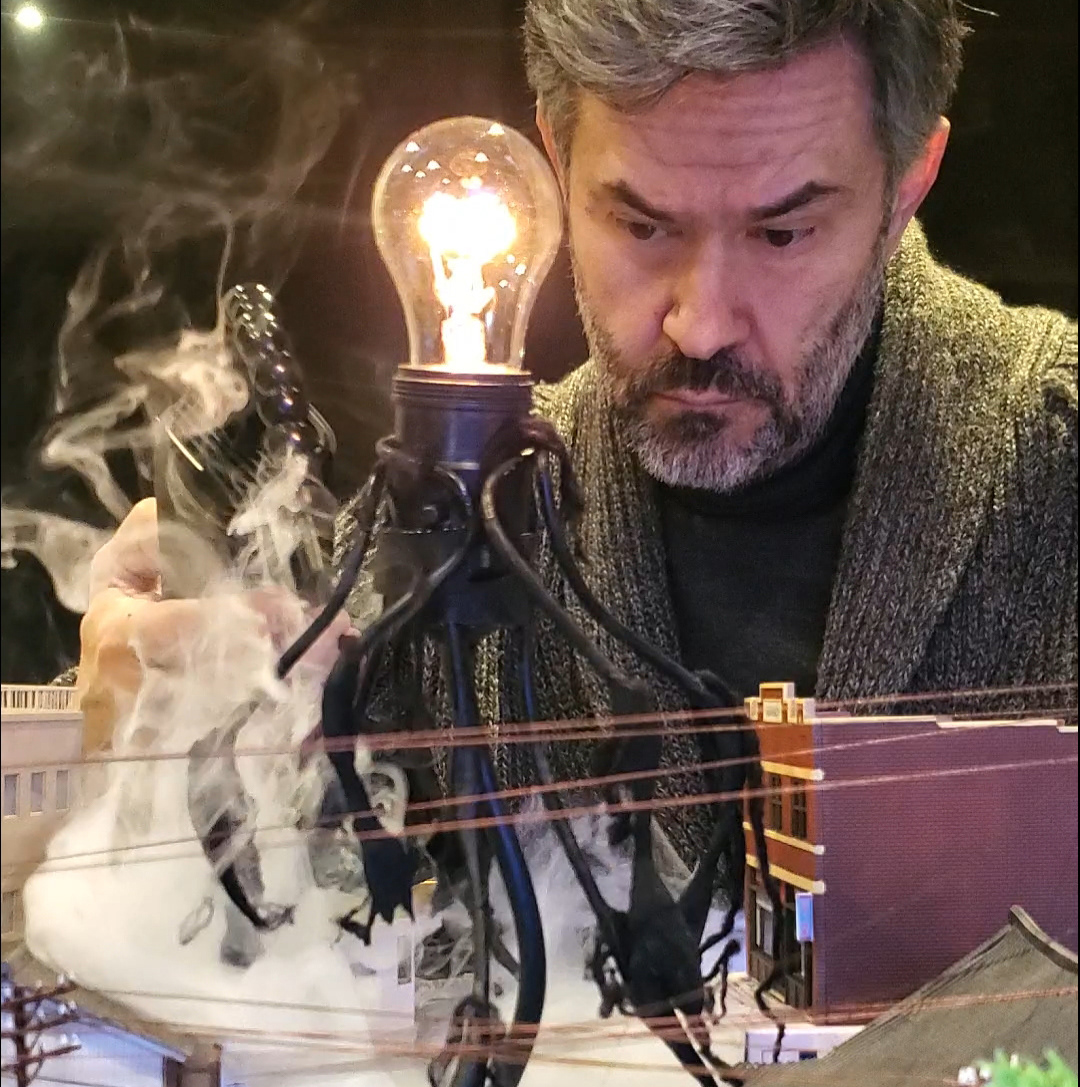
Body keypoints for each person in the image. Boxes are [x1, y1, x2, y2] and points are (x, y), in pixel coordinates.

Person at [73, 1, 1076, 867]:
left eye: (782, 233)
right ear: (555, 162)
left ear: (908, 185)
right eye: (641, 225)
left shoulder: (1058, 458)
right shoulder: (442, 525)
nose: (700, 324)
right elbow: (298, 878)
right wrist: (164, 737)